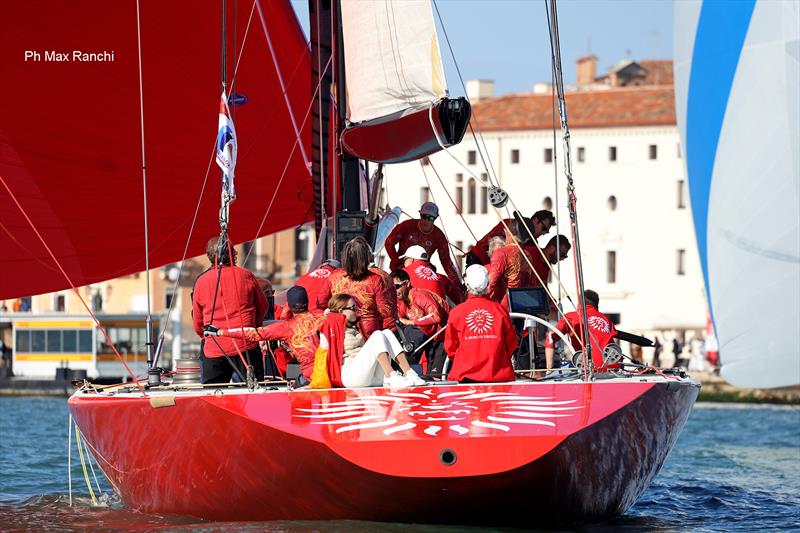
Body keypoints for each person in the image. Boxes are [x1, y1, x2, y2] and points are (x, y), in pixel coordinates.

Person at [206, 286, 325, 381]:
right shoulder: (324, 319)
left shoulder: (287, 327)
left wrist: (220, 331)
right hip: (331, 371)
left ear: (288, 305)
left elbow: (254, 334)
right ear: (308, 301)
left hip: (311, 376)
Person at [192, 236, 268, 384]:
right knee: (253, 392)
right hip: (245, 342)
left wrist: (205, 336)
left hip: (215, 346)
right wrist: (252, 327)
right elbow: (263, 306)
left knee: (214, 395)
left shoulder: (201, 281)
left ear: (209, 256)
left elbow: (197, 320)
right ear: (232, 253)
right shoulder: (246, 275)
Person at [314, 293, 425, 388]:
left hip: (369, 375)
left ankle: (408, 372)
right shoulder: (330, 327)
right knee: (377, 335)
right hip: (350, 376)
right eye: (353, 308)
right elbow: (322, 353)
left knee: (386, 332)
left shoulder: (355, 326)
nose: (356, 311)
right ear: (341, 311)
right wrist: (330, 317)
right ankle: (391, 375)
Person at [444, 265, 517, 383]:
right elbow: (512, 343)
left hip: (465, 378)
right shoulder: (500, 310)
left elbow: (450, 347)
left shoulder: (456, 313)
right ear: (487, 284)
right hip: (498, 378)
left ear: (467, 285)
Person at [318, 237, 393, 338]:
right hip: (367, 334)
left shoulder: (335, 276)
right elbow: (385, 311)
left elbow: (321, 302)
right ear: (365, 258)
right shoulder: (375, 279)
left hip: (340, 331)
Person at [384, 202, 461, 287]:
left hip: (421, 273)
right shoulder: (406, 226)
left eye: (430, 218)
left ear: (435, 218)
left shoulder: (439, 236)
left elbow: (447, 262)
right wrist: (395, 260)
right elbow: (388, 243)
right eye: (424, 217)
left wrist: (458, 284)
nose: (426, 221)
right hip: (401, 270)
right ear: (420, 215)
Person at [544, 290, 618, 372]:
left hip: (587, 368)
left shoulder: (571, 317)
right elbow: (611, 343)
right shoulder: (606, 320)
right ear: (597, 305)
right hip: (612, 368)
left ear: (578, 303)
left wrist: (549, 370)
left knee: (558, 371)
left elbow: (550, 337)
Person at [392, 269, 449, 371]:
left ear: (407, 283)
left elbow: (436, 316)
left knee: (435, 376)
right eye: (391, 288)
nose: (394, 291)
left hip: (442, 337)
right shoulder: (402, 301)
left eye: (396, 287)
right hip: (429, 338)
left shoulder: (420, 296)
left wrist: (411, 322)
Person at [468, 210, 556, 265]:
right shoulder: (509, 223)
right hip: (478, 260)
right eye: (544, 228)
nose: (543, 233)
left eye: (546, 232)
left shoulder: (533, 244)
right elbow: (492, 244)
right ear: (536, 220)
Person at [486, 222, 536, 310]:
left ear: (513, 230)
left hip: (503, 308)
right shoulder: (528, 255)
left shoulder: (502, 253)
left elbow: (491, 284)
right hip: (521, 306)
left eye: (512, 222)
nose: (508, 223)